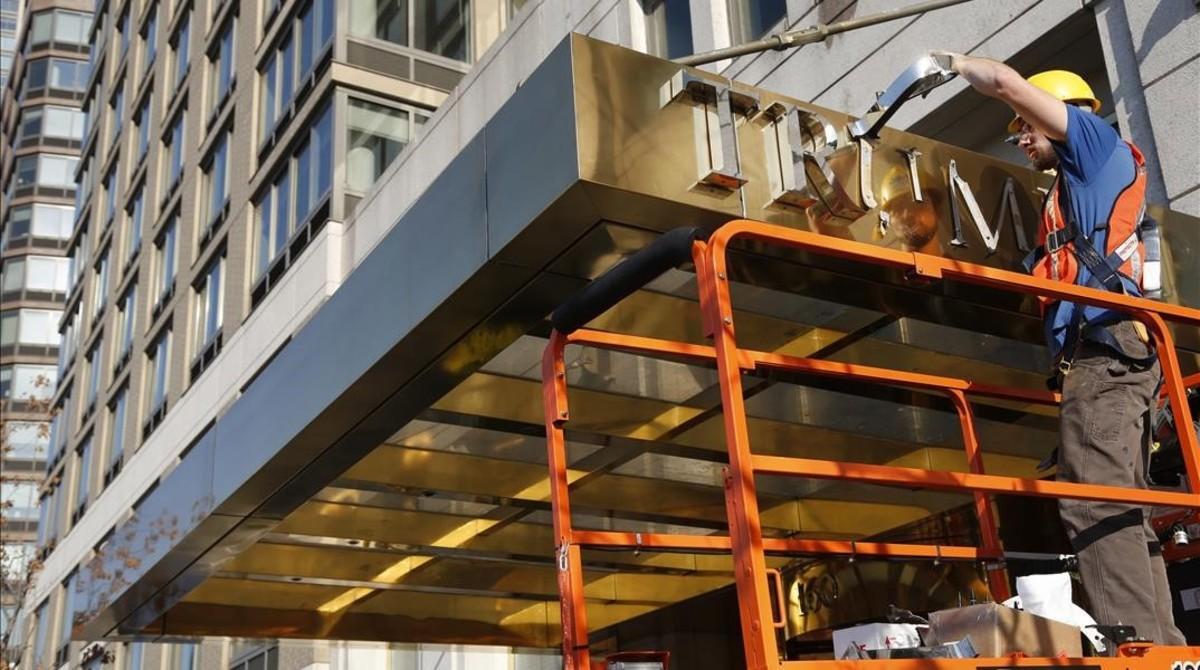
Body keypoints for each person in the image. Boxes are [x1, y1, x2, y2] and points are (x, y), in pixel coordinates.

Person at [930, 52, 1185, 646]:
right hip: (1111, 355)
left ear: (1060, 114)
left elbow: (1004, 83)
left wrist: (950, 63)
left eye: (1024, 126)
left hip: (1106, 354)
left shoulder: (1094, 144)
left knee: (1092, 502)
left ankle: (1136, 648)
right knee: (1118, 504)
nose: (1019, 137)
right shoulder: (1076, 185)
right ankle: (1161, 646)